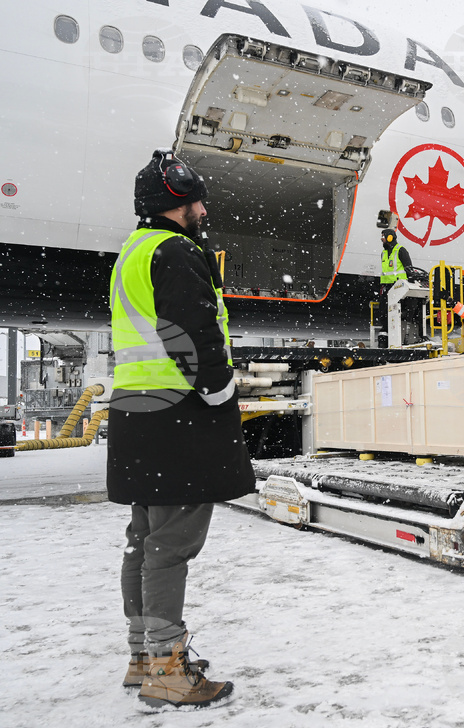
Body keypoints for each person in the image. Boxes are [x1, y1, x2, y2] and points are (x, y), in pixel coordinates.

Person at [107, 149, 255, 708]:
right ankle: (167, 672)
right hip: (178, 415)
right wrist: (221, 392)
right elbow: (193, 335)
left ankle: (144, 656)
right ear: (178, 203)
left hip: (138, 413)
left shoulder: (133, 251)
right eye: (196, 200)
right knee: (171, 545)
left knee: (144, 541)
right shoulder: (175, 251)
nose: (202, 209)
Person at [377, 229, 412, 346]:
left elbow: (409, 269)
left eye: (384, 237)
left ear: (390, 237)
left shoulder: (401, 251)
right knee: (383, 312)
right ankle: (385, 336)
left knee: (397, 312)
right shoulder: (383, 253)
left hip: (398, 288)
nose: (382, 239)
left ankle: (396, 337)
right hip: (386, 288)